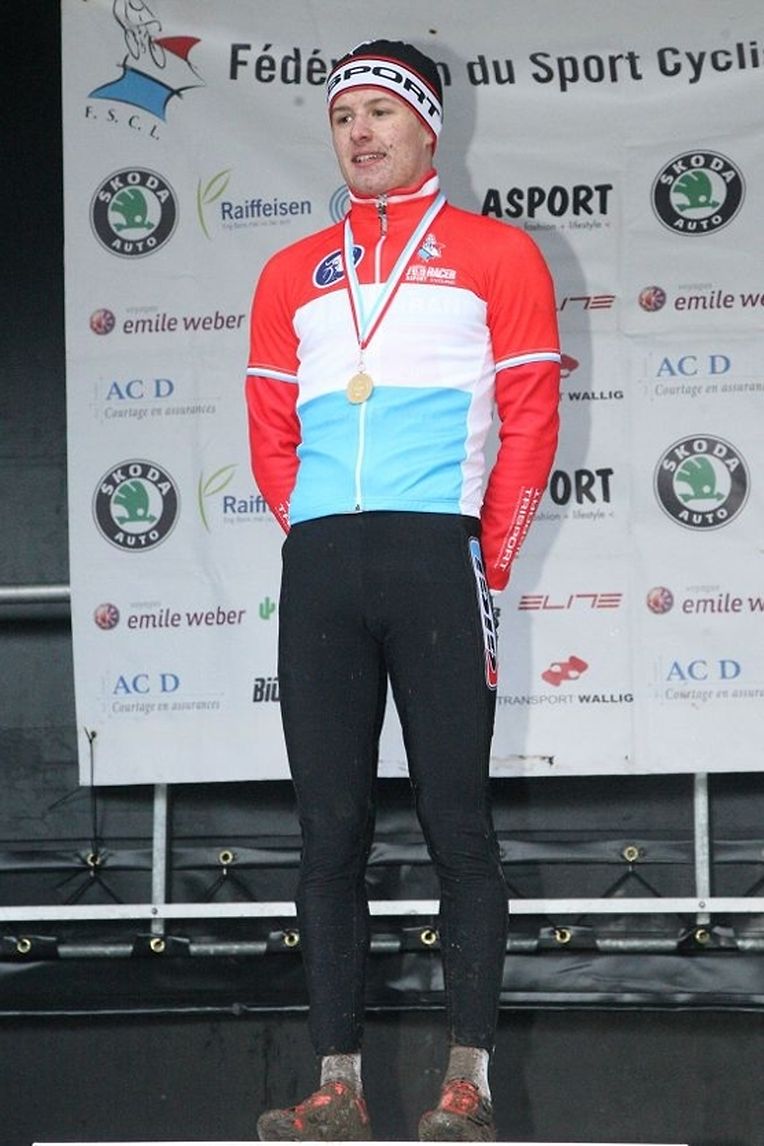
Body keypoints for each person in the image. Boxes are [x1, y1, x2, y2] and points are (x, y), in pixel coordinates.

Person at [245, 39, 561, 1142]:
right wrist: (315, 538)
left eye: (381, 112)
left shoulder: (496, 253)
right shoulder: (290, 271)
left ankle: (466, 1085)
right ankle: (337, 1085)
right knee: (327, 832)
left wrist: (486, 555)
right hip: (324, 569)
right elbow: (270, 434)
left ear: (429, 127)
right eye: (344, 117)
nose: (360, 133)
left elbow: (531, 421)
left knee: (455, 823)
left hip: (439, 557)